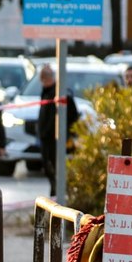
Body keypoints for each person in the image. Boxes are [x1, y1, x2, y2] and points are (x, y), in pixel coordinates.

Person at [36, 64, 80, 196]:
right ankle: (55, 193)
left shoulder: (60, 93)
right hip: (46, 138)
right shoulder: (46, 92)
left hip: (57, 139)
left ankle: (60, 194)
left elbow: (73, 116)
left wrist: (66, 133)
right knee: (48, 168)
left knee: (56, 168)